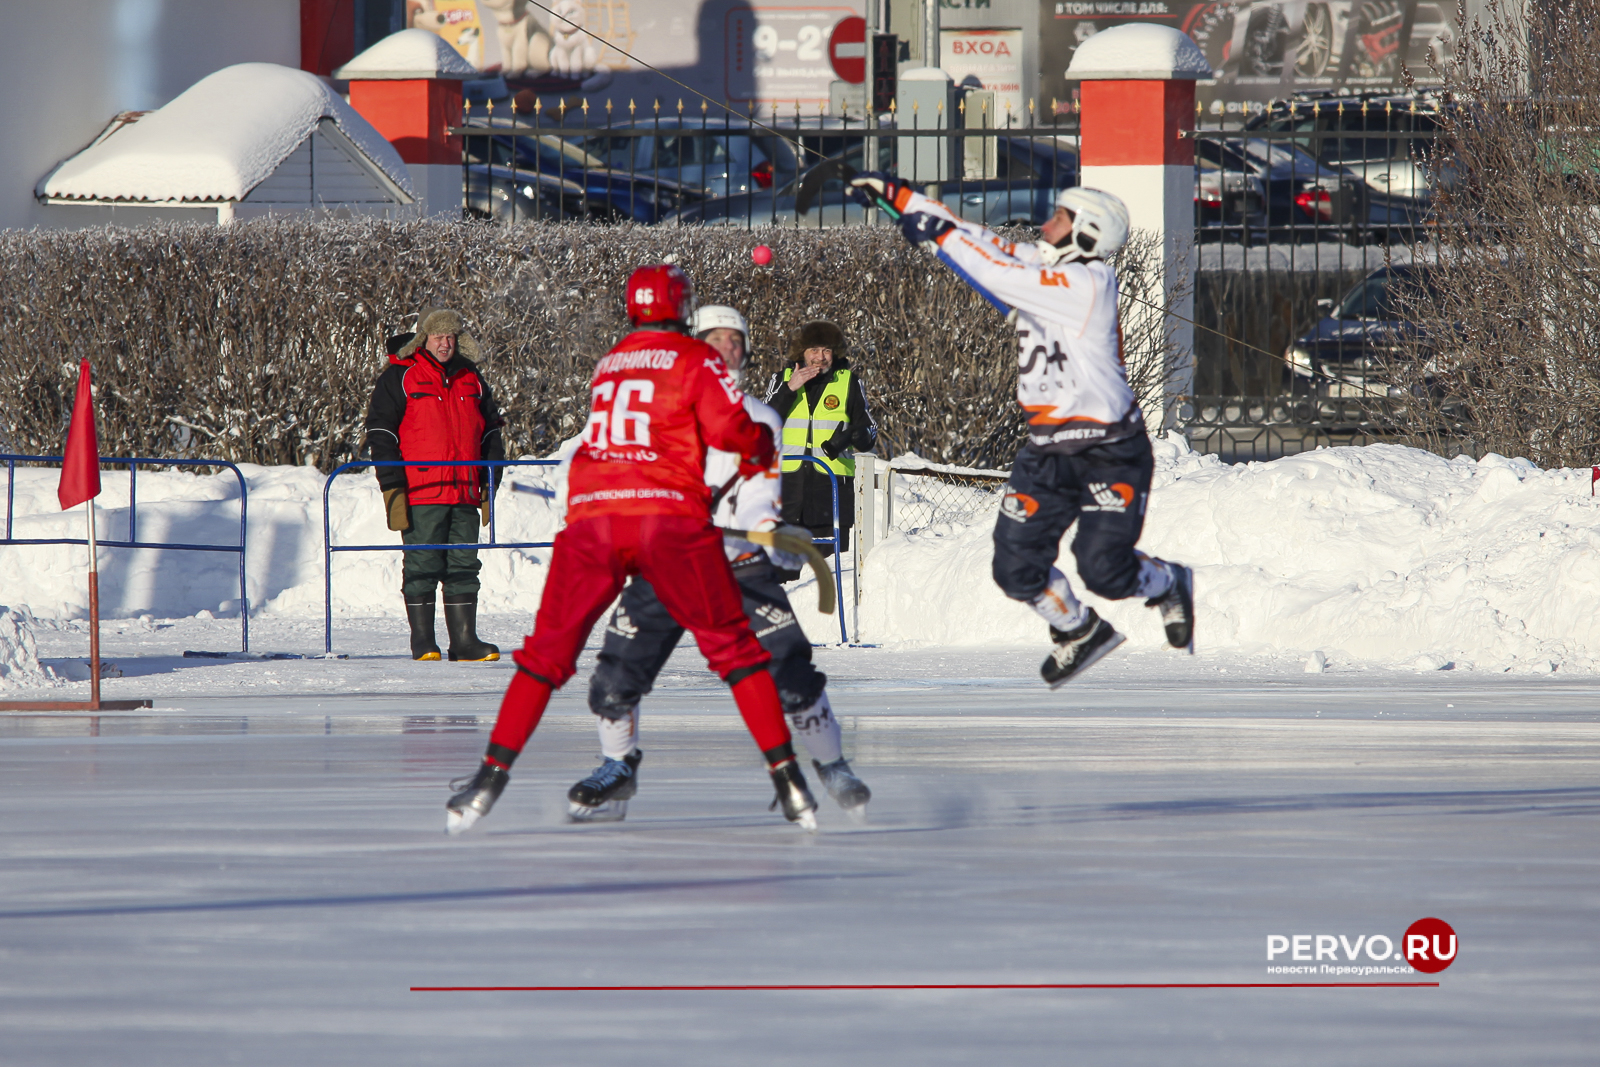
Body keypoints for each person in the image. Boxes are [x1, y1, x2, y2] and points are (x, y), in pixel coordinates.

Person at [444, 265, 820, 834]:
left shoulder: (610, 364)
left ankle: (488, 778)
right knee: (735, 653)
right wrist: (759, 441)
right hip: (667, 522)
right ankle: (788, 780)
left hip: (595, 521)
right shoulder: (695, 361)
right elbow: (734, 432)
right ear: (681, 309)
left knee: (545, 659)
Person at [847, 175, 1194, 685]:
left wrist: (938, 237)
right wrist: (898, 197)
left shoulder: (1087, 284)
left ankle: (1167, 582)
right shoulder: (1046, 264)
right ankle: (1079, 630)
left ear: (1088, 234)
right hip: (1047, 451)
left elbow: (995, 272)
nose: (1044, 224)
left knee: (1104, 569)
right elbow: (983, 243)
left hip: (1109, 450)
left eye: (1059, 218)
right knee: (1015, 569)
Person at [571, 304, 872, 823]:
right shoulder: (659, 411)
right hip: (668, 563)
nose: (724, 348)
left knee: (793, 671)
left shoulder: (760, 419)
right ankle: (618, 766)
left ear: (746, 351)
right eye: (712, 338)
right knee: (615, 674)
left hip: (739, 563)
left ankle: (831, 764)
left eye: (734, 340)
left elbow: (758, 497)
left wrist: (769, 530)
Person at [365, 307, 504, 662]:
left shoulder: (471, 377)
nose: (446, 343)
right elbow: (381, 434)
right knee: (423, 564)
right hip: (422, 490)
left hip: (465, 490)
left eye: (452, 336)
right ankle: (423, 641)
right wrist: (392, 484)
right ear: (423, 338)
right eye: (439, 336)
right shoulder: (400, 376)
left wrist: (490, 478)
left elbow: (491, 430)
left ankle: (464, 641)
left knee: (463, 565)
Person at [764, 321, 877, 557]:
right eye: (814, 350)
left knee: (832, 579)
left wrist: (856, 435)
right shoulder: (781, 379)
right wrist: (789, 389)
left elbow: (869, 431)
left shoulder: (849, 382)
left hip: (831, 498)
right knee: (786, 582)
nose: (820, 357)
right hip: (786, 497)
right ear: (801, 353)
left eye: (826, 350)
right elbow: (760, 426)